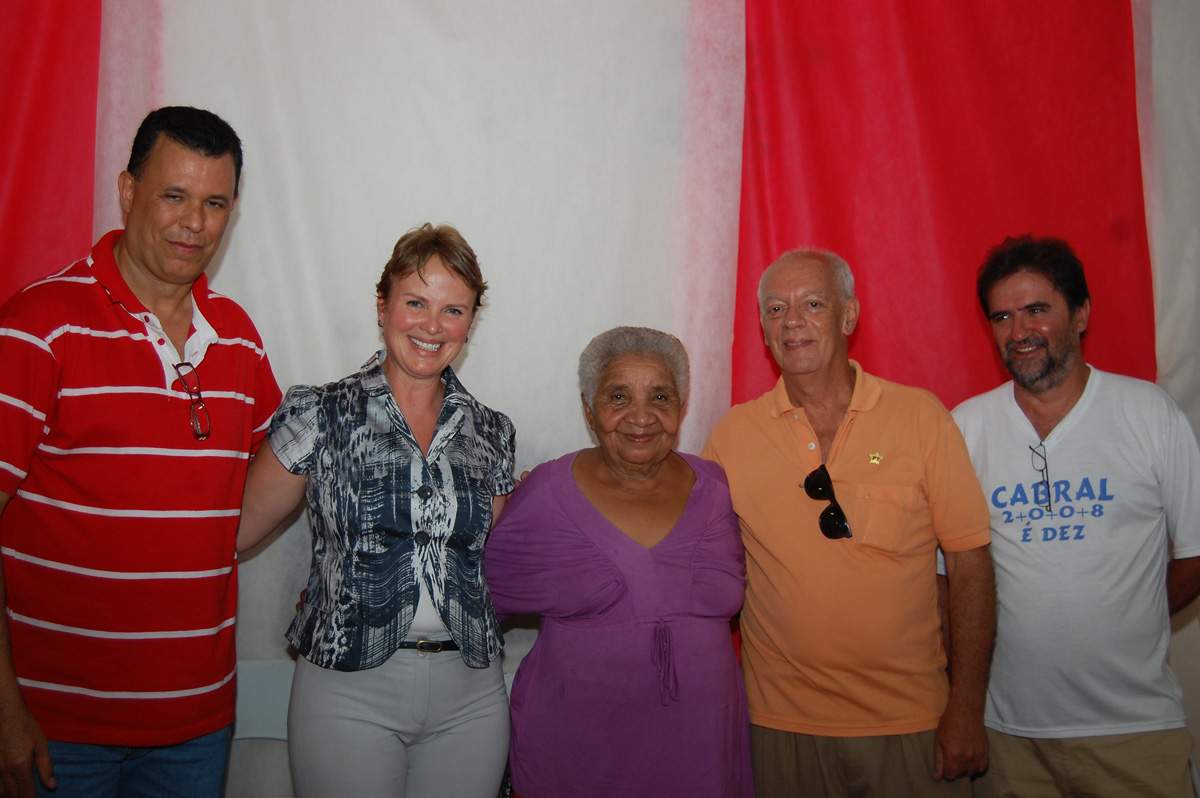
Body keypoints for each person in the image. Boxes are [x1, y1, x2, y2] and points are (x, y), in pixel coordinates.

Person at [0, 106, 282, 798]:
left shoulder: (239, 338)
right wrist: (5, 710)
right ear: (128, 192)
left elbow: (272, 476)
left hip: (196, 722)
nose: (194, 223)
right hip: (55, 725)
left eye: (214, 203)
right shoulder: (37, 327)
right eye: (174, 196)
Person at [701, 249, 996, 797]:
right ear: (762, 329)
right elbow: (699, 565)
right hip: (779, 728)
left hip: (913, 725)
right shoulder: (731, 438)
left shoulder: (921, 418)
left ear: (849, 316)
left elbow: (971, 565)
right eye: (775, 308)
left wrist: (967, 707)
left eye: (813, 303)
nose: (792, 321)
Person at [237, 223, 514, 798]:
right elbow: (229, 533)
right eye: (415, 302)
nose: (432, 326)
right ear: (383, 304)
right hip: (346, 689)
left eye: (453, 310)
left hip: (472, 696)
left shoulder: (494, 432)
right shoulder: (317, 413)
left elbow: (494, 561)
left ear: (471, 321)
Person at [952, 234, 1200, 797]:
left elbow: (1195, 554)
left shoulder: (1149, 414)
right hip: (1009, 740)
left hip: (1135, 733)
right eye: (1003, 317)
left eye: (1037, 310)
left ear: (1081, 313)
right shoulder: (965, 429)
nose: (1019, 332)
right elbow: (948, 579)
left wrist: (1125, 616)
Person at [484, 326, 753, 797]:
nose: (641, 417)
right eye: (618, 397)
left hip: (704, 756)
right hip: (577, 760)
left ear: (681, 407)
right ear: (590, 410)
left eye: (661, 397)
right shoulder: (546, 493)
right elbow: (471, 601)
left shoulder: (718, 488)